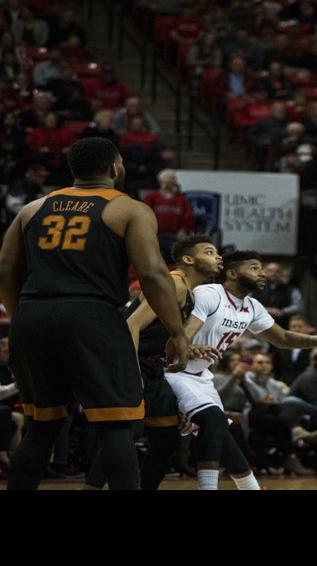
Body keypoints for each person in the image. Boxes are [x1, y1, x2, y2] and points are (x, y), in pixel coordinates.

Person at [0, 138, 191, 490]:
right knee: (116, 425)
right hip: (92, 315)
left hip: (31, 315)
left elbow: (6, 269)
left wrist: (23, 316)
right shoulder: (129, 209)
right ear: (115, 167)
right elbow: (152, 274)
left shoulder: (32, 208)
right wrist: (177, 332)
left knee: (40, 427)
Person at [162, 251, 317, 489]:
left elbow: (284, 337)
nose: (262, 274)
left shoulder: (252, 306)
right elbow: (180, 334)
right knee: (213, 424)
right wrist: (189, 347)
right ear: (232, 273)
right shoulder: (210, 294)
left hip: (202, 377)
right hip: (175, 370)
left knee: (225, 438)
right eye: (254, 268)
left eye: (262, 269)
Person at [84, 235, 222, 490]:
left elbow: (159, 335)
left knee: (167, 437)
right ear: (188, 259)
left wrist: (189, 349)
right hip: (131, 360)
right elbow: (131, 326)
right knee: (126, 434)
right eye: (210, 252)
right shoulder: (174, 283)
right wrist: (132, 373)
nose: (218, 257)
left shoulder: (190, 291)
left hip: (154, 365)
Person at [141, 169, 194, 262]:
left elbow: (188, 217)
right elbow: (143, 214)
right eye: (171, 179)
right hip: (155, 235)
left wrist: (184, 230)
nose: (174, 181)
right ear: (162, 181)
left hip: (174, 236)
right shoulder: (151, 197)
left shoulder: (182, 199)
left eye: (174, 179)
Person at [253, 262, 302, 328]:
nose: (274, 273)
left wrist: (283, 311)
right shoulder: (254, 288)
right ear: (264, 272)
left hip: (283, 326)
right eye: (270, 271)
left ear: (281, 273)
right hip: (259, 327)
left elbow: (299, 305)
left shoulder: (291, 289)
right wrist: (264, 310)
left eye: (277, 271)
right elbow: (247, 303)